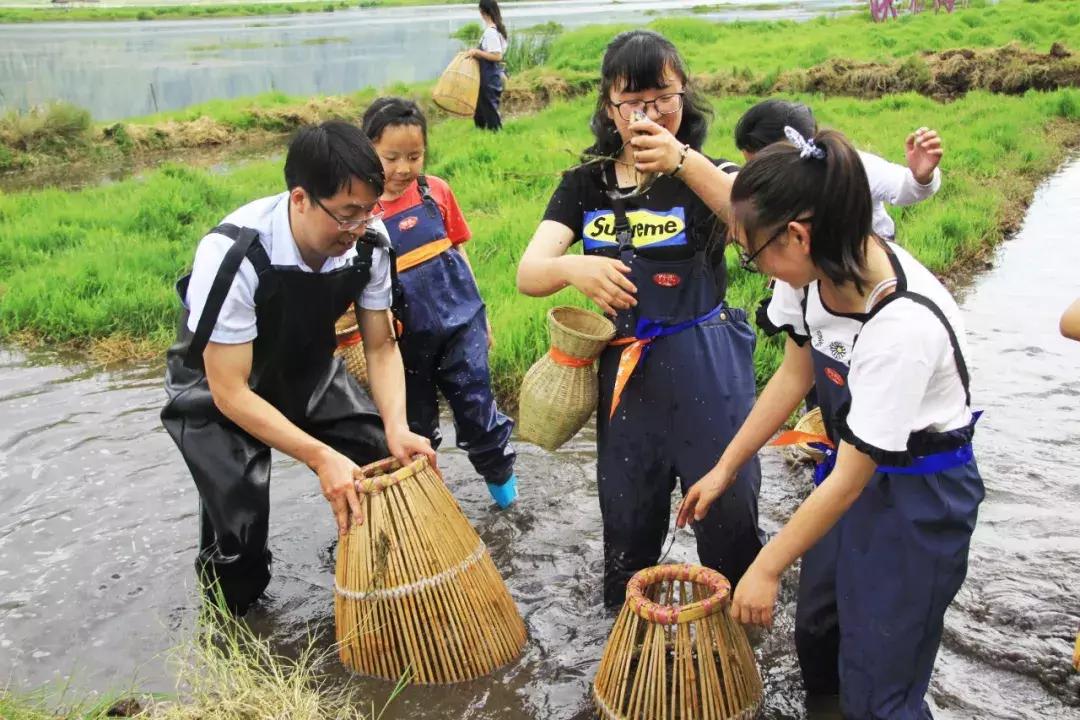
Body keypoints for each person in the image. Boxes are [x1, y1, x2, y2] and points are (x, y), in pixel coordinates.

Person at [658, 125, 983, 719]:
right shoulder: (814, 277)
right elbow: (793, 375)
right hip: (850, 474)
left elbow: (853, 478)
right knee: (819, 634)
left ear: (798, 236)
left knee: (881, 688)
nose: (759, 267)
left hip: (918, 499)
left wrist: (765, 566)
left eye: (754, 253)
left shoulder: (902, 325)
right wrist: (725, 468)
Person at [516, 29, 764, 609]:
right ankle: (630, 650)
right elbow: (531, 271)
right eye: (632, 101)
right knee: (628, 524)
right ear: (609, 106)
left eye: (663, 96)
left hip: (708, 369)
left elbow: (754, 221)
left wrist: (682, 163)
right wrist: (574, 268)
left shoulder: (707, 171)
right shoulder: (585, 184)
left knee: (729, 521)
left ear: (685, 96)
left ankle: (739, 649)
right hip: (627, 384)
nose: (648, 113)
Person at [161, 121, 436, 615]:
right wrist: (319, 457)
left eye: (367, 212)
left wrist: (397, 426)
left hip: (305, 369)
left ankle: (376, 586)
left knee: (382, 459)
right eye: (347, 214)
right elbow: (230, 392)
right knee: (239, 524)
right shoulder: (235, 254)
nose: (358, 230)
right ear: (302, 198)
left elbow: (379, 347)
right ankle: (236, 633)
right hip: (215, 392)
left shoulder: (370, 242)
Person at [361, 97, 517, 508]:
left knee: (480, 414)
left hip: (460, 327)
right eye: (390, 157)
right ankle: (433, 511)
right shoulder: (362, 212)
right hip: (403, 344)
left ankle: (508, 502)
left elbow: (459, 255)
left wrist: (482, 317)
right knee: (415, 428)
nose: (402, 169)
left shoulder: (436, 192)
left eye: (413, 156)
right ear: (367, 152)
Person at [733, 98, 943, 242]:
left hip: (869, 263)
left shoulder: (851, 166)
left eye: (762, 165)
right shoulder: (768, 184)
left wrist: (920, 176)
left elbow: (902, 189)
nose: (758, 174)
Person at [466, 0, 508, 131]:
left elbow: (497, 56)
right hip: (488, 75)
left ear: (483, 12)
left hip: (489, 76)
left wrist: (476, 52)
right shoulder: (497, 29)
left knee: (490, 110)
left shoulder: (491, 32)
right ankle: (482, 134)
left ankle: (496, 135)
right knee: (481, 109)